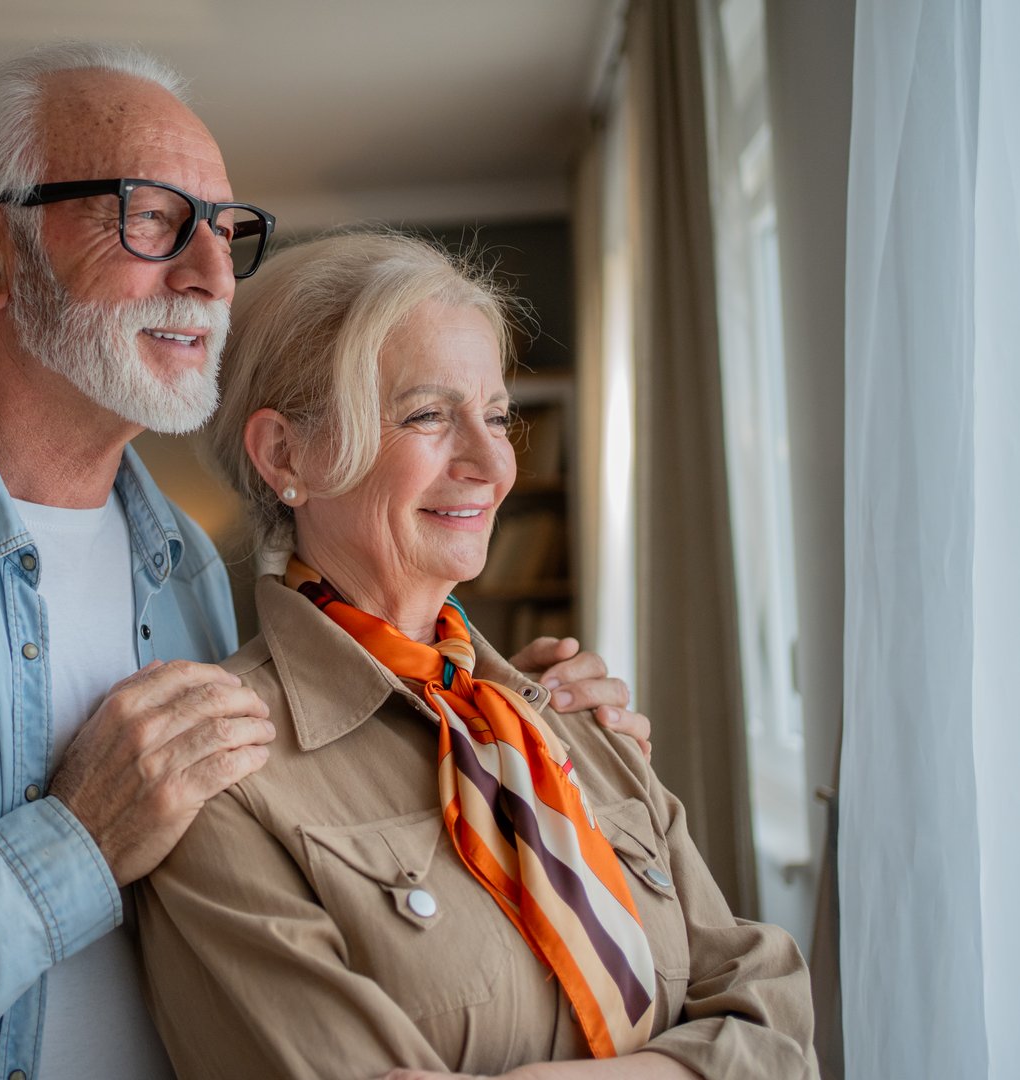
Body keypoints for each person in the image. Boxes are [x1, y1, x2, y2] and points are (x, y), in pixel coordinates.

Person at [0, 44, 648, 1079]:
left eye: (228, 231)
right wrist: (68, 851)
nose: (213, 275)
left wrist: (540, 743)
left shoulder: (199, 572)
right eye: (150, 219)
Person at [139, 232, 819, 1080]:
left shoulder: (571, 717)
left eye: (497, 416)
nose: (494, 463)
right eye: (428, 414)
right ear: (287, 455)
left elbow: (778, 1009)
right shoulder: (223, 773)